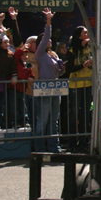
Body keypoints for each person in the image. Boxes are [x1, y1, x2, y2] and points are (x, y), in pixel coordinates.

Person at [34, 8, 65, 152]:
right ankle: (39, 147)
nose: (49, 41)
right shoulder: (40, 53)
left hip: (56, 86)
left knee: (54, 119)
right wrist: (48, 21)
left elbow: (59, 71)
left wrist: (62, 68)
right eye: (47, 40)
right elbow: (46, 37)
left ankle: (54, 146)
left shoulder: (54, 55)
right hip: (44, 87)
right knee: (43, 119)